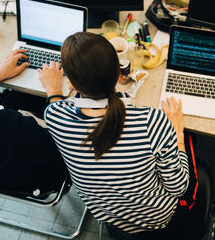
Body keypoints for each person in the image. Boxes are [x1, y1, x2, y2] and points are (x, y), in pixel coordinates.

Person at [38, 32, 190, 237]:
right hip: (157, 219)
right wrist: (177, 132)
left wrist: (53, 91)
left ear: (72, 85)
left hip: (108, 216)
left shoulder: (54, 116)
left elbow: (56, 106)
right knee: (191, 142)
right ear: (119, 74)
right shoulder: (152, 122)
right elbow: (179, 188)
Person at [0, 30, 66, 194]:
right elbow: (65, 144)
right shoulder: (17, 128)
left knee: (14, 97)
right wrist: (54, 92)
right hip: (46, 178)